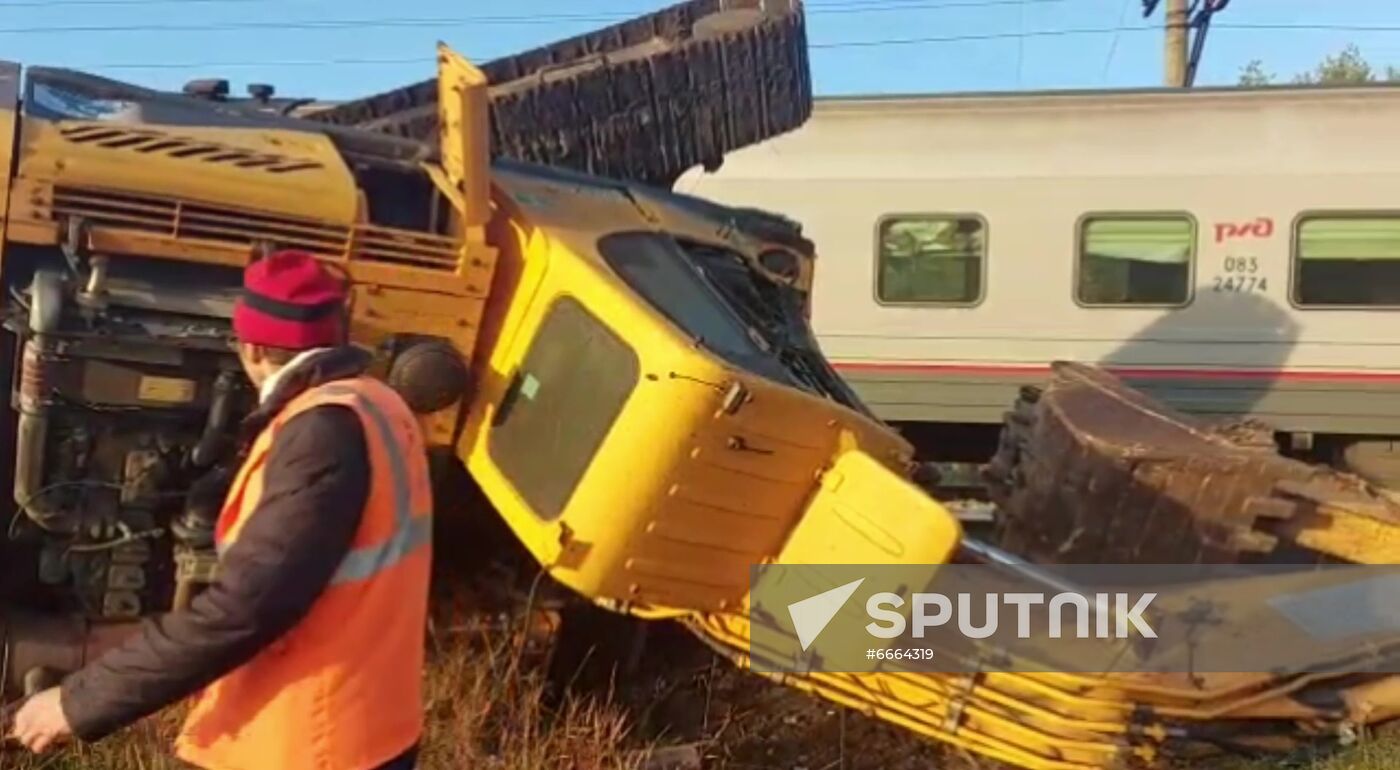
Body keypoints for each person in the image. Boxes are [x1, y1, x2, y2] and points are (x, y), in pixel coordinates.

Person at [8, 250, 434, 770]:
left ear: (250, 345)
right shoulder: (380, 403)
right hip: (374, 725)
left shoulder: (320, 434)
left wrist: (78, 702)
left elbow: (244, 608)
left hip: (301, 742)